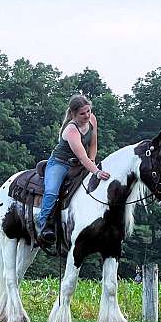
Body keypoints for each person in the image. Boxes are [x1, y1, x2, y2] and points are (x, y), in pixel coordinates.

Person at [38, 94, 111, 246]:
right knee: (51, 191)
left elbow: (93, 144)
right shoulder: (71, 130)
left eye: (88, 111)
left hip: (80, 163)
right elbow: (82, 156)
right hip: (60, 163)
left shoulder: (92, 120)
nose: (87, 115)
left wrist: (93, 161)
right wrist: (96, 171)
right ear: (73, 114)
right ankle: (43, 225)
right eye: (82, 113)